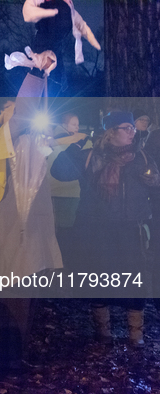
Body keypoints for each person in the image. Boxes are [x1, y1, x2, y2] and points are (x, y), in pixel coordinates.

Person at [0, 52, 63, 369]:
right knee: (14, 296)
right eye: (11, 110)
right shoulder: (3, 141)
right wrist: (36, 75)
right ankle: (4, 358)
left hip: (33, 230)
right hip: (14, 229)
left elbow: (39, 112)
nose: (19, 113)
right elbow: (27, 110)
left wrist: (47, 78)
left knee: (27, 296)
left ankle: (14, 353)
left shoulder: (29, 142)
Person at [51, 111, 160, 348]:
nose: (133, 132)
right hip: (96, 231)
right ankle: (103, 334)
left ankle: (135, 335)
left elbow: (156, 190)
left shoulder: (141, 158)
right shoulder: (90, 157)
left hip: (131, 230)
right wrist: (73, 145)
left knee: (135, 282)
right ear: (111, 132)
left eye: (133, 128)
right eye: (126, 128)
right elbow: (59, 171)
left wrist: (154, 184)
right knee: (100, 281)